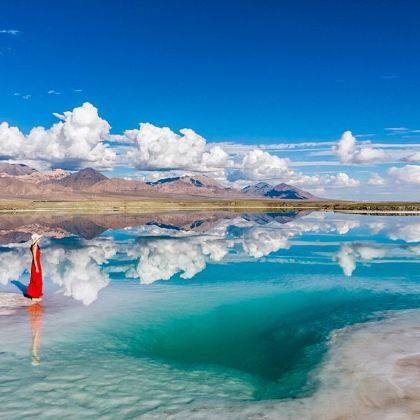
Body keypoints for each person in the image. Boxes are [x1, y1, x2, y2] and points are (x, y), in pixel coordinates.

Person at [26, 233, 43, 302]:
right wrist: (36, 267)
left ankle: (35, 295)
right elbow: (35, 258)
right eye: (38, 238)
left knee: (36, 279)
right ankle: (35, 296)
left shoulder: (34, 246)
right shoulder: (35, 247)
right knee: (37, 280)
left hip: (36, 264)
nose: (39, 240)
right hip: (36, 264)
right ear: (36, 239)